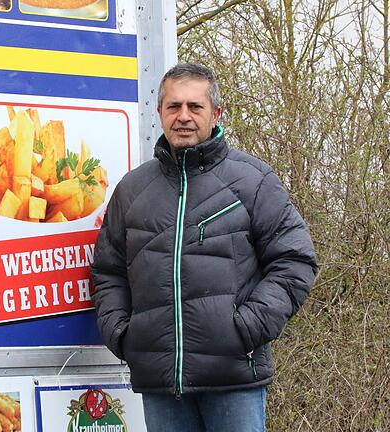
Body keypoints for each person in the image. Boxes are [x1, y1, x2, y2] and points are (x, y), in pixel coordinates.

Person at [90, 63, 318, 431]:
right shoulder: (132, 190)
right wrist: (124, 334)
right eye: (173, 106)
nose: (183, 117)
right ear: (160, 113)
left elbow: (295, 260)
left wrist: (245, 329)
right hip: (162, 384)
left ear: (216, 114)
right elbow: (108, 270)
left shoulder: (252, 181)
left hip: (234, 379)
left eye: (195, 107)